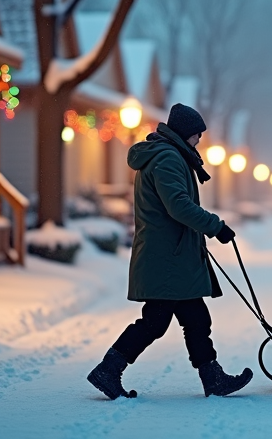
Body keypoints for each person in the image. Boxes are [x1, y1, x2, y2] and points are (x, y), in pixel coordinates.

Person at [87, 103, 252, 399]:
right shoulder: (167, 158)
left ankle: (211, 377)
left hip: (171, 256)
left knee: (194, 319)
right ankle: (108, 370)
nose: (198, 141)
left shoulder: (169, 155)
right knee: (156, 322)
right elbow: (178, 206)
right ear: (184, 133)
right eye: (196, 135)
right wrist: (215, 226)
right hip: (166, 258)